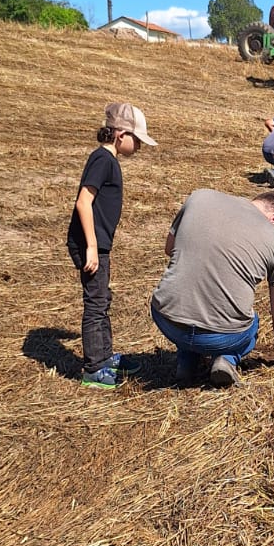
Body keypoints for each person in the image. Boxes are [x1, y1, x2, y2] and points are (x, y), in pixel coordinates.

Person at [150, 189, 274, 388]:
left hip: (166, 319)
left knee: (191, 300)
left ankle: (187, 361)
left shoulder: (200, 197)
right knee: (252, 323)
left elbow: (170, 248)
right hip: (221, 337)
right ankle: (227, 358)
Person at [66, 102, 156, 390]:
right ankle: (94, 369)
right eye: (137, 140)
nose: (139, 146)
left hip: (99, 244)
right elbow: (83, 202)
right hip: (91, 245)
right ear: (120, 135)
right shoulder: (103, 160)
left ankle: (105, 357)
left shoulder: (108, 160)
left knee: (102, 299)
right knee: (95, 304)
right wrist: (92, 247)